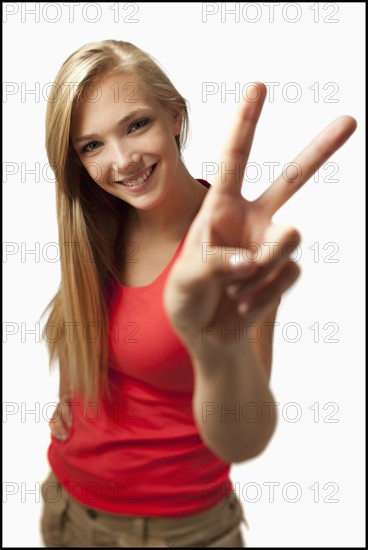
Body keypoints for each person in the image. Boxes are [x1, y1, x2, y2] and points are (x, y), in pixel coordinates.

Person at [39, 39, 356, 547]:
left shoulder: (232, 254)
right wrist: (67, 399)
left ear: (176, 118)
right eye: (91, 145)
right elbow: (88, 326)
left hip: (177, 530)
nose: (121, 161)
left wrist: (216, 346)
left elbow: (243, 437)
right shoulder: (99, 223)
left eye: (136, 124)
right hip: (67, 505)